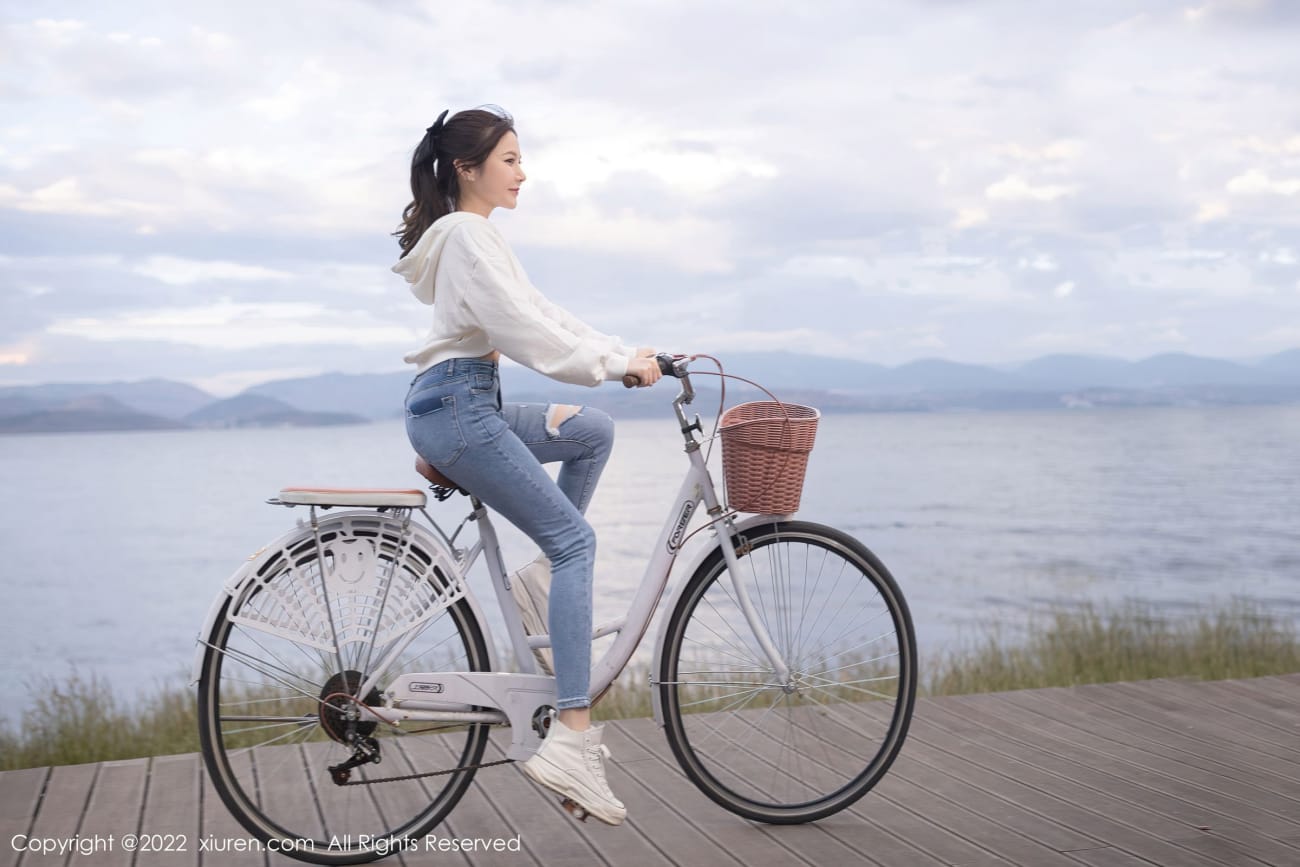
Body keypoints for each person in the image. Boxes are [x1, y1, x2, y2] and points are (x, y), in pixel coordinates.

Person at [392, 105, 662, 825]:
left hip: (462, 402)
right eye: (509, 158)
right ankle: (572, 734)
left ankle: (540, 586)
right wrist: (611, 365)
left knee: (592, 433)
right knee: (578, 540)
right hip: (458, 409)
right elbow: (527, 334)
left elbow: (544, 313)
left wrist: (627, 352)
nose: (522, 171)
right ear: (467, 169)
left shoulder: (473, 238)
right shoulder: (466, 237)